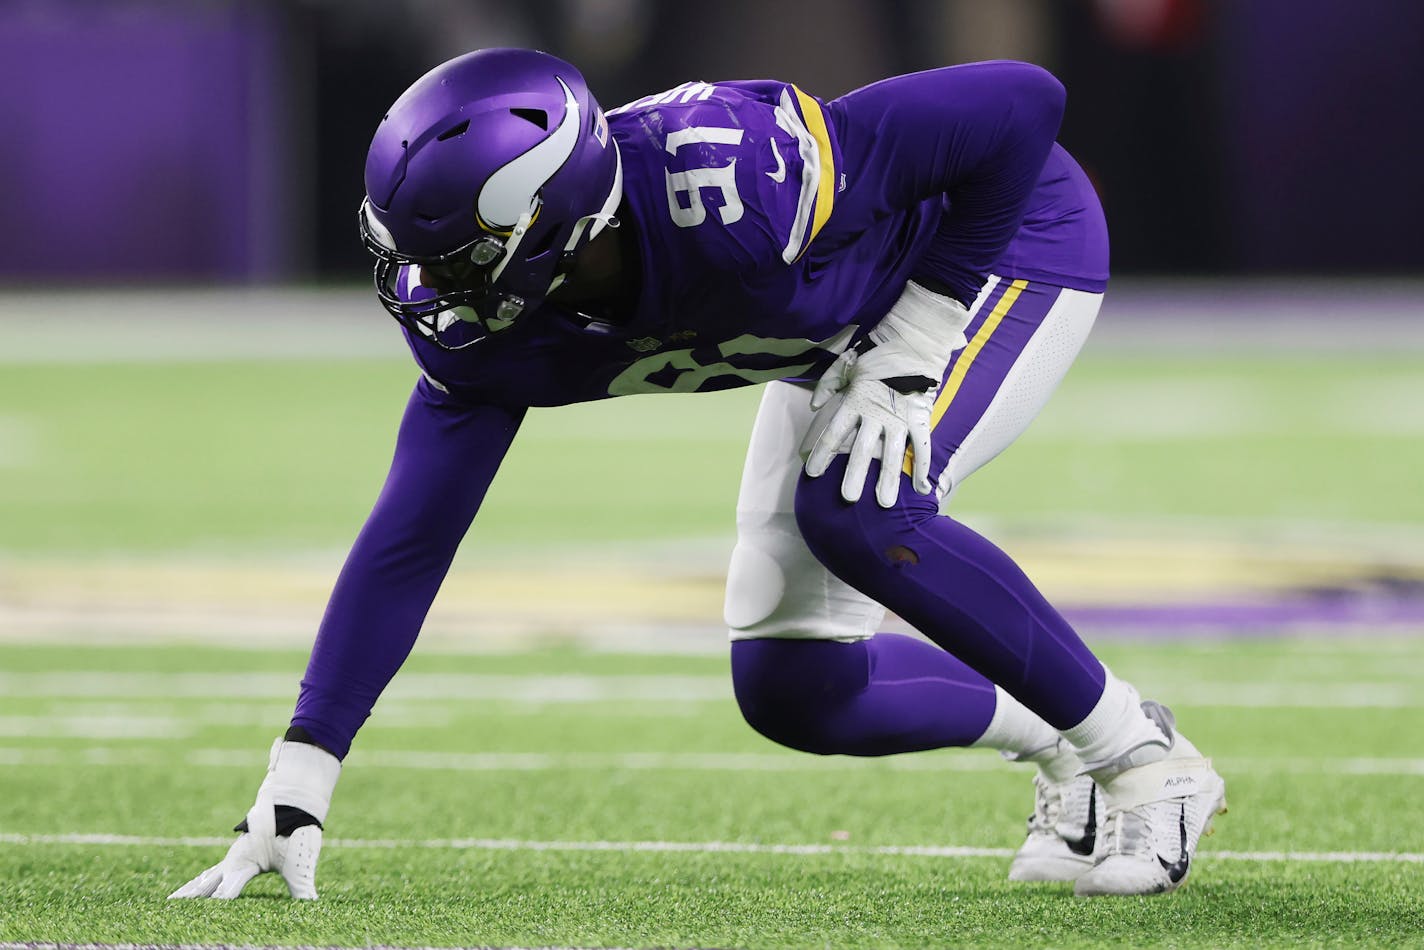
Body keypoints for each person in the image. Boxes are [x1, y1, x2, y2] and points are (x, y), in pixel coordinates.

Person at [169, 47, 1225, 902]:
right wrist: (300, 775)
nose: (428, 292)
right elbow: (409, 539)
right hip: (843, 324)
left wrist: (918, 332)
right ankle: (1062, 747)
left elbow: (1018, 103)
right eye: (410, 257)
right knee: (796, 687)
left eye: (452, 263)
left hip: (994, 248)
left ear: (557, 225)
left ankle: (1142, 761)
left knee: (854, 510)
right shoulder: (487, 337)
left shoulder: (726, 186)